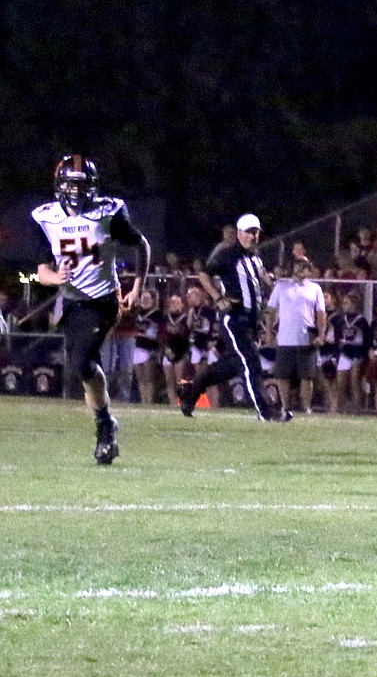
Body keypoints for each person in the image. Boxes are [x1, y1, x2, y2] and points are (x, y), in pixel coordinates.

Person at [31, 155, 152, 463]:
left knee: (82, 362)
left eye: (82, 185)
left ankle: (104, 426)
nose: (76, 191)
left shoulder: (108, 213)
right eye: (71, 184)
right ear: (60, 185)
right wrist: (54, 277)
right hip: (72, 302)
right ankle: (105, 424)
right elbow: (42, 269)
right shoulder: (46, 218)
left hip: (103, 300)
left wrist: (137, 286)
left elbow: (142, 245)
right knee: (82, 368)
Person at [178, 214, 287, 421]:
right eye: (249, 232)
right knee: (251, 363)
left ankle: (190, 392)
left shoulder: (255, 256)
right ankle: (267, 412)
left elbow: (260, 275)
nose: (253, 236)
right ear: (239, 233)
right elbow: (203, 274)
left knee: (233, 365)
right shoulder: (227, 254)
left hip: (252, 321)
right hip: (235, 318)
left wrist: (269, 278)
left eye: (256, 232)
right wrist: (217, 297)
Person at [269, 255, 326, 415]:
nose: (301, 269)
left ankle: (306, 407)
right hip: (285, 338)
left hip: (306, 338)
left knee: (306, 376)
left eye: (305, 266)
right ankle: (285, 406)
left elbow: (321, 314)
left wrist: (321, 335)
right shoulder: (281, 286)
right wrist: (268, 333)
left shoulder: (315, 288)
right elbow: (271, 311)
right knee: (282, 376)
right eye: (298, 265)